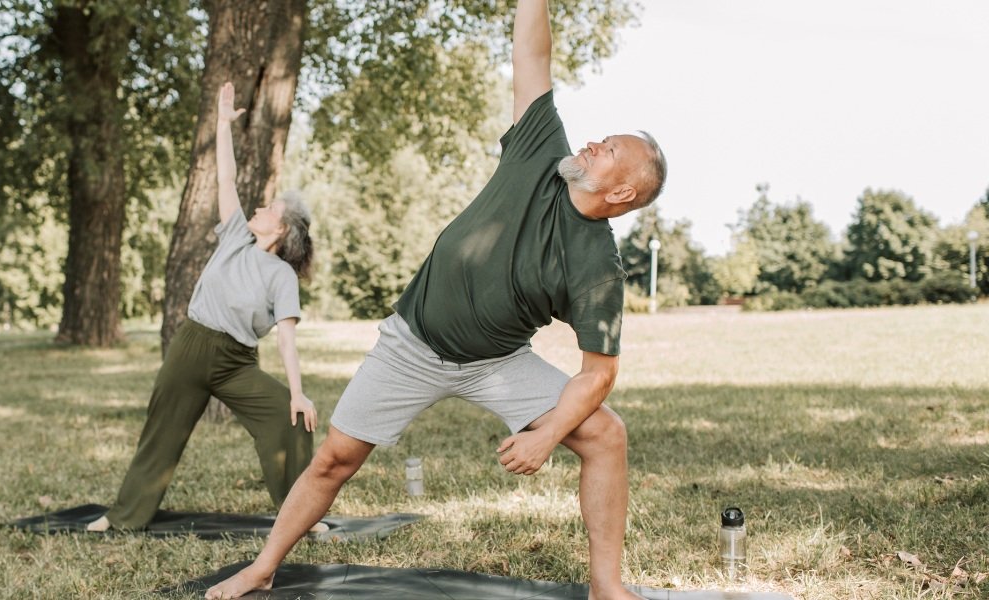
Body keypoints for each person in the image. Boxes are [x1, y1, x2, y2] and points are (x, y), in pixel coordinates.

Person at [207, 0, 666, 597]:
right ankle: (261, 568)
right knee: (334, 461)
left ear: (623, 190)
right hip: (412, 343)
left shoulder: (597, 266)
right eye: (599, 138)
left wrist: (546, 433)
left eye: (606, 149)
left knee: (606, 434)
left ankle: (607, 587)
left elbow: (598, 375)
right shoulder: (540, 152)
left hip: (495, 362)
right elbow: (531, 54)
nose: (590, 143)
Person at [87, 82, 318, 533]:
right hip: (192, 347)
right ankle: (123, 518)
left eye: (268, 207)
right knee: (161, 432)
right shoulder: (235, 235)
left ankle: (301, 518)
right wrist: (222, 124)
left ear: (283, 228)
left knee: (288, 418)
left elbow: (287, 339)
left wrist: (297, 392)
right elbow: (226, 177)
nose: (258, 206)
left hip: (235, 362)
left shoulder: (281, 276)